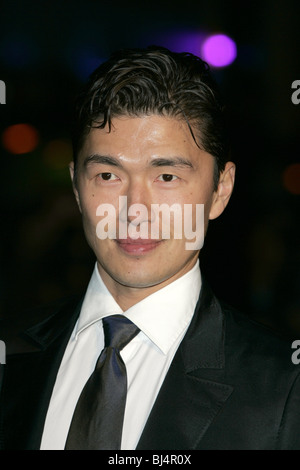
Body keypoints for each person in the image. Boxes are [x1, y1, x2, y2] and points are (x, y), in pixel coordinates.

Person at [0, 46, 299, 451]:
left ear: (220, 190)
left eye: (167, 177)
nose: (134, 210)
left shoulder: (284, 389)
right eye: (108, 174)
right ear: (75, 186)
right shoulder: (11, 354)